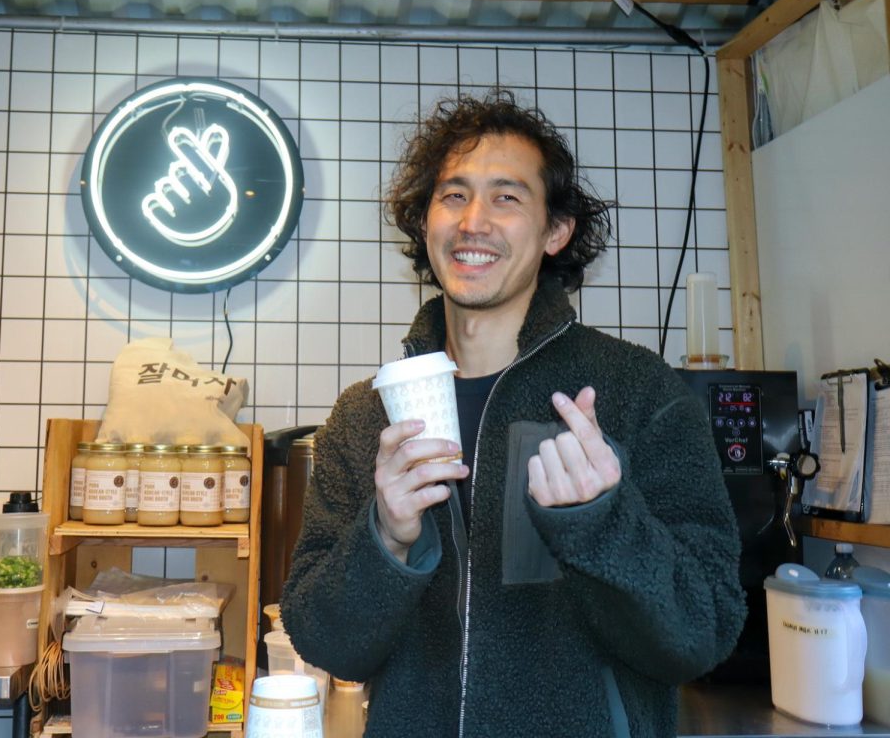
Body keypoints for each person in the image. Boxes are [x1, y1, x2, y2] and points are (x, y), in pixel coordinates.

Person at [280, 89, 745, 738]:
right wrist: (385, 538)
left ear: (557, 231)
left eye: (507, 197)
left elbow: (702, 632)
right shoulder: (368, 418)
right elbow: (326, 642)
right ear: (425, 224)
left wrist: (602, 524)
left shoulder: (637, 391)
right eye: (453, 195)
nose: (474, 221)